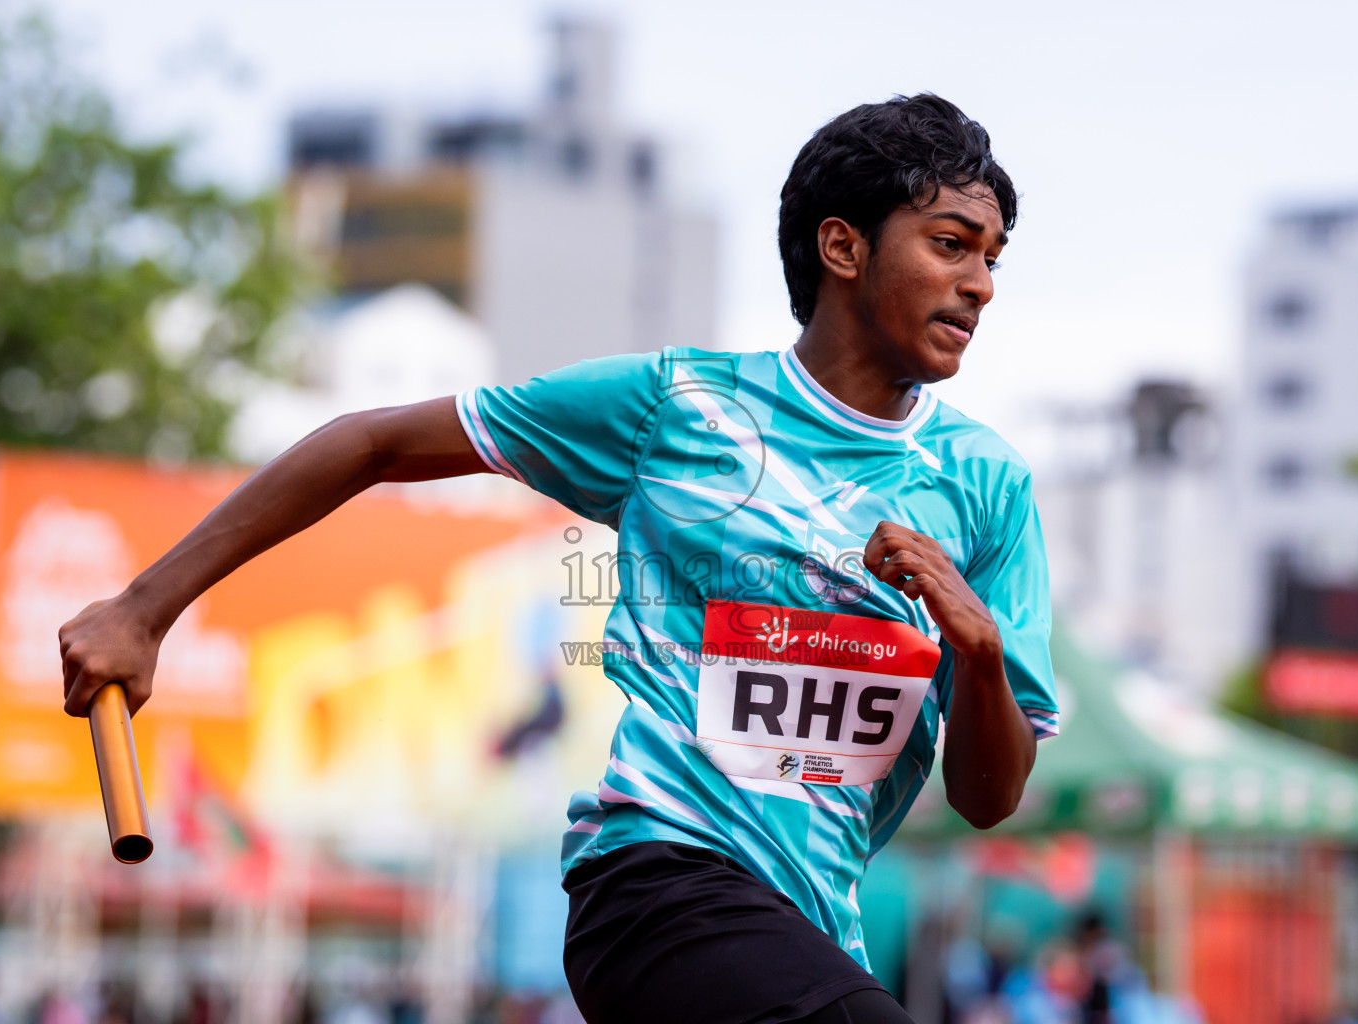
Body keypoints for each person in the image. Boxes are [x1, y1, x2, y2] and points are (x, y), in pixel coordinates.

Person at [59, 94, 1059, 1024]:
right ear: (842, 246)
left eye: (995, 259)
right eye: (950, 245)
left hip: (812, 933)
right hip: (655, 887)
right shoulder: (681, 407)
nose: (980, 284)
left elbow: (988, 796)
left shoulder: (987, 485)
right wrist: (145, 609)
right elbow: (370, 444)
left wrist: (974, 650)